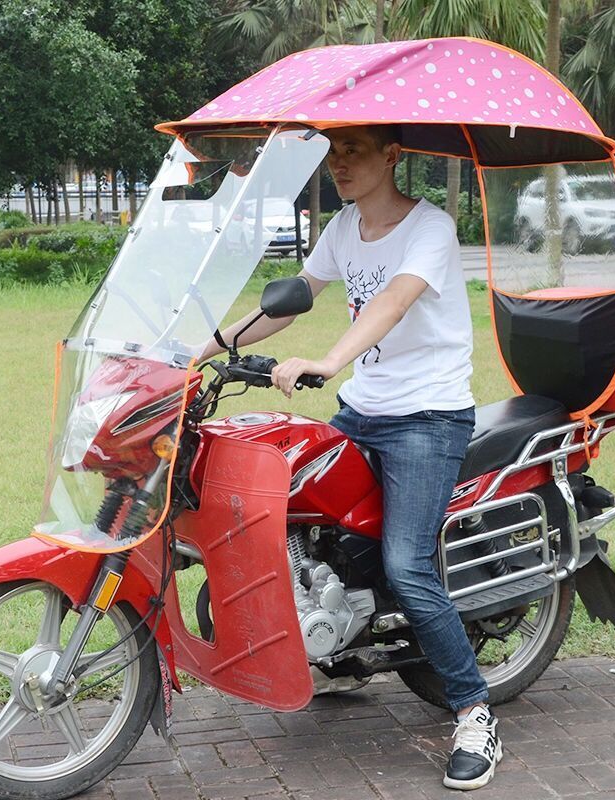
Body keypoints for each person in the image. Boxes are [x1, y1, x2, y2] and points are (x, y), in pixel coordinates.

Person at [205, 124, 501, 791]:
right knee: (290, 514)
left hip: (426, 417)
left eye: (354, 151)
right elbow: (296, 296)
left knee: (406, 562)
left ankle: (475, 712)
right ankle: (341, 643)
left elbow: (394, 302)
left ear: (392, 156)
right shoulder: (343, 227)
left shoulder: (430, 227)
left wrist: (330, 360)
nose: (339, 163)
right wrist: (202, 348)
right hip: (363, 409)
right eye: (333, 153)